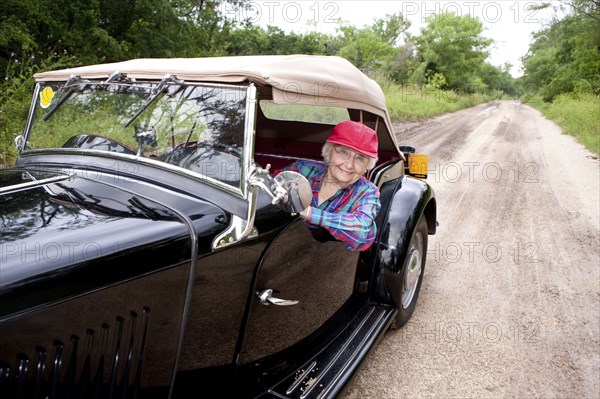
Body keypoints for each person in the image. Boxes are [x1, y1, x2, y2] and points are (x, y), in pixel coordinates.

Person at [284, 120, 381, 251]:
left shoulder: (367, 192)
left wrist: (308, 212)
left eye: (360, 158)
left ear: (366, 166)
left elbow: (360, 232)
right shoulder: (302, 169)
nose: (349, 165)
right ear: (329, 152)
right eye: (343, 152)